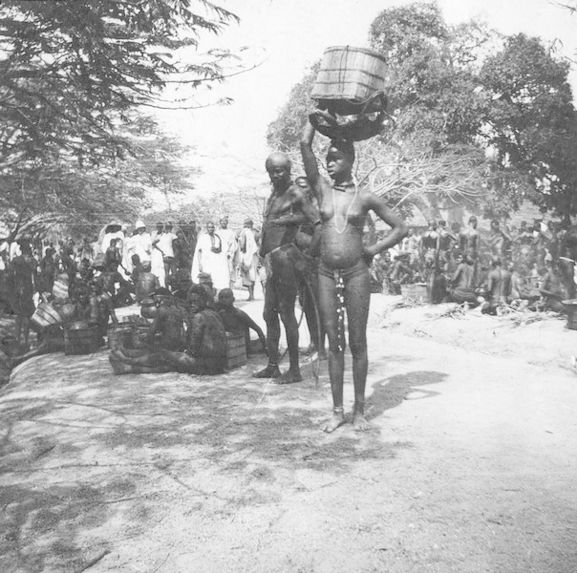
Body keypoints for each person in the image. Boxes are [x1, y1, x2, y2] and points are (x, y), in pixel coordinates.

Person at [301, 120, 407, 432]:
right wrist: (313, 117)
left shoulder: (366, 197)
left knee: (357, 342)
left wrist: (374, 249)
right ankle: (337, 411)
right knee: (334, 342)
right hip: (325, 273)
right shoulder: (321, 190)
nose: (329, 163)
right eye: (328, 158)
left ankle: (359, 409)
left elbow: (401, 228)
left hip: (357, 272)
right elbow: (305, 147)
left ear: (350, 161)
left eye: (336, 158)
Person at [254, 152, 321, 383]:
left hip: (285, 258)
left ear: (289, 170)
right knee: (268, 314)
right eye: (272, 170)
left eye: (281, 170)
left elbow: (319, 223)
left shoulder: (295, 193)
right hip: (272, 260)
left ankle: (294, 370)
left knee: (286, 314)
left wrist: (309, 256)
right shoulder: (274, 193)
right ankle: (273, 365)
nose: (276, 174)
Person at [110, 285, 227, 375]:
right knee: (171, 364)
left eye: (195, 302)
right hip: (218, 366)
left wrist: (183, 352)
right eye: (191, 302)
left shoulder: (199, 317)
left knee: (164, 355)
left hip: (204, 364)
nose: (192, 305)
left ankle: (129, 361)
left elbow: (193, 350)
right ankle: (128, 368)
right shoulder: (214, 314)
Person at [7, 241, 38, 351]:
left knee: (19, 317)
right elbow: (35, 275)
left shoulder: (15, 261)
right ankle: (25, 339)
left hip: (18, 291)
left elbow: (10, 276)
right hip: (27, 291)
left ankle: (18, 340)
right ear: (28, 250)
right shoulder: (32, 261)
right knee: (27, 316)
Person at [216, 288, 267, 355]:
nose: (223, 300)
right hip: (230, 345)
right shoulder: (220, 314)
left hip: (242, 346)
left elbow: (257, 329)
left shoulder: (239, 314)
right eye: (221, 298)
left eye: (226, 297)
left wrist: (266, 347)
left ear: (233, 299)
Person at [192, 222, 230, 292]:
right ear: (207, 228)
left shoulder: (217, 237)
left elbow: (221, 249)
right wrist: (199, 264)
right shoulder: (203, 238)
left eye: (212, 227)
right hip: (206, 262)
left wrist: (217, 250)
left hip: (216, 262)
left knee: (216, 279)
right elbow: (199, 251)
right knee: (207, 280)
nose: (211, 229)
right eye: (209, 227)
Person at [238, 218, 260, 301]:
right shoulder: (250, 232)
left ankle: (251, 295)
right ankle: (251, 294)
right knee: (251, 275)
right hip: (251, 255)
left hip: (249, 255)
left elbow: (242, 246)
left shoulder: (246, 232)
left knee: (249, 275)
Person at [218, 216, 238, 289]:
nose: (223, 222)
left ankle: (229, 291)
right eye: (222, 221)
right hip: (219, 255)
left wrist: (230, 253)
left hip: (229, 256)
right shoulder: (217, 232)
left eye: (225, 221)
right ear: (220, 222)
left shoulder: (231, 233)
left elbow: (233, 245)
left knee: (229, 272)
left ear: (227, 222)